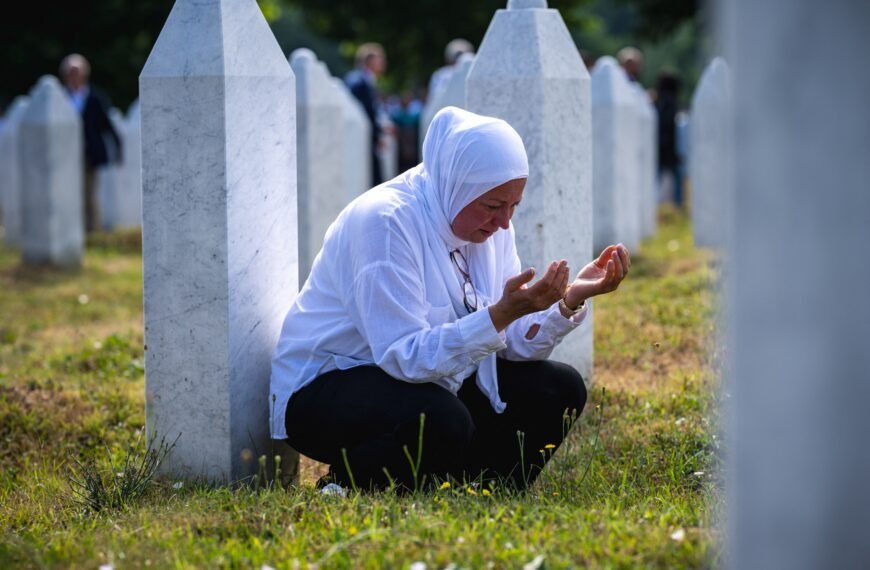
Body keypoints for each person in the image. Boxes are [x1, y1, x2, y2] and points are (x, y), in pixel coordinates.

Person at [270, 107, 630, 493]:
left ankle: (475, 489)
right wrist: (499, 314)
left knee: (560, 388)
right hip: (329, 388)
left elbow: (512, 344)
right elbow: (402, 356)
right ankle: (346, 483)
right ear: (456, 185)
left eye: (514, 206)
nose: (505, 222)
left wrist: (568, 300)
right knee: (440, 419)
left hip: (433, 383)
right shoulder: (385, 222)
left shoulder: (489, 228)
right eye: (493, 206)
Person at [59, 53, 122, 233]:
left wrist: (117, 149)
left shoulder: (94, 97)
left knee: (89, 194)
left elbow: (107, 125)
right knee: (69, 194)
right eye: (71, 72)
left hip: (89, 155)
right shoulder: (61, 97)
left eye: (77, 71)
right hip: (65, 156)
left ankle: (92, 231)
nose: (74, 75)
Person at [345, 43, 387, 187]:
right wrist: (377, 136)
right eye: (379, 59)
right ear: (369, 61)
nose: (382, 63)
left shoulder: (364, 80)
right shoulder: (360, 82)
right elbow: (366, 112)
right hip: (364, 140)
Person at [654, 70, 684, 207]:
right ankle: (677, 205)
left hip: (662, 147)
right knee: (675, 178)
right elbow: (667, 126)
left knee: (660, 178)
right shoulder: (670, 102)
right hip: (668, 148)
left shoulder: (662, 101)